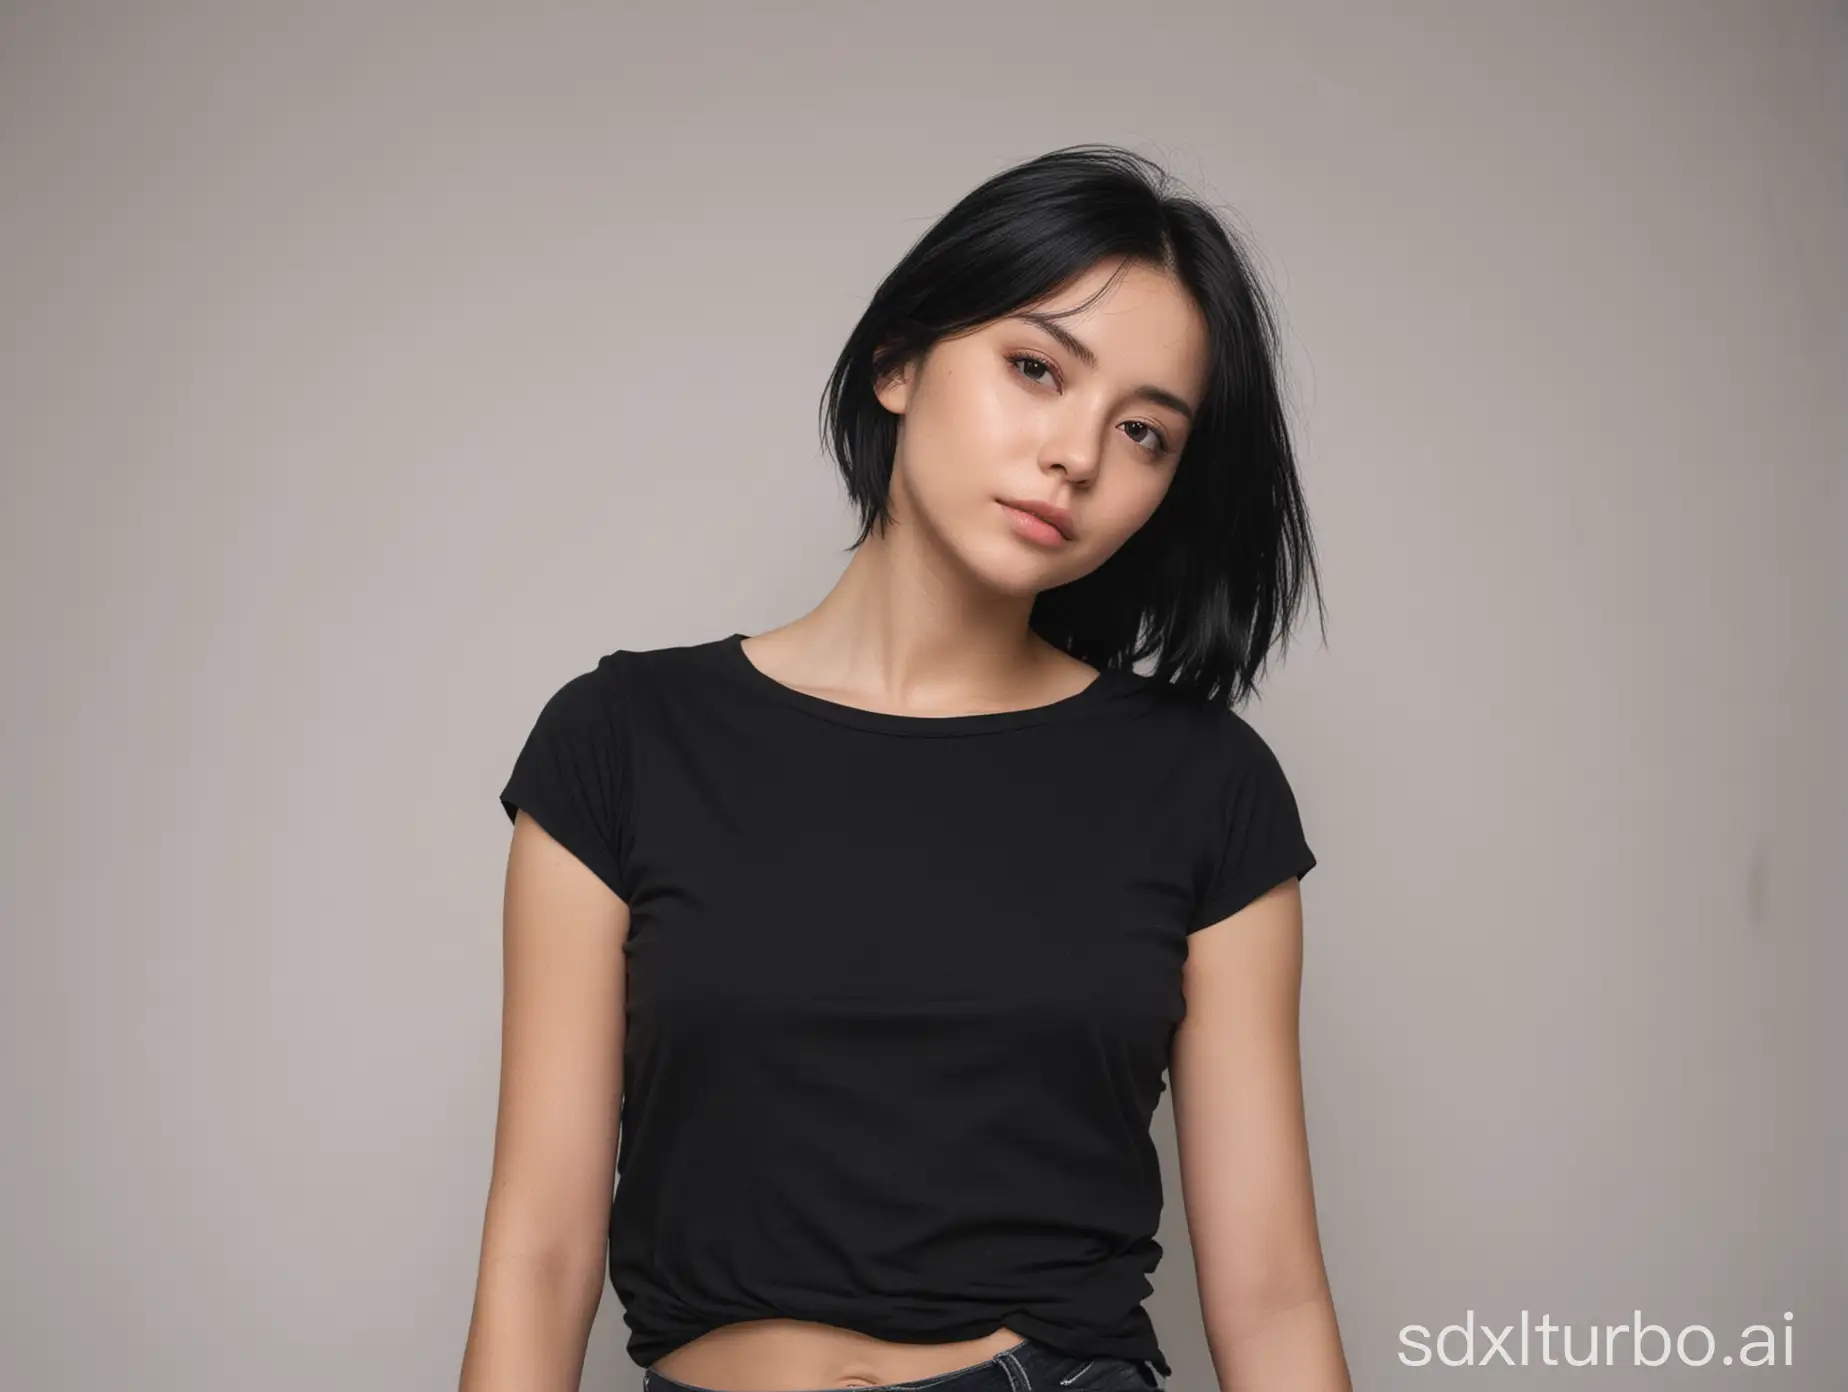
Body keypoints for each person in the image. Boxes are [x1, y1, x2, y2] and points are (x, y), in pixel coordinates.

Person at [460, 144, 1351, 1392]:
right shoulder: (619, 742)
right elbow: (538, 1256)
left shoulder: (1208, 789)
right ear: (898, 360)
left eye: (1143, 432)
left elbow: (1271, 1298)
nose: (1077, 456)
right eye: (1036, 369)